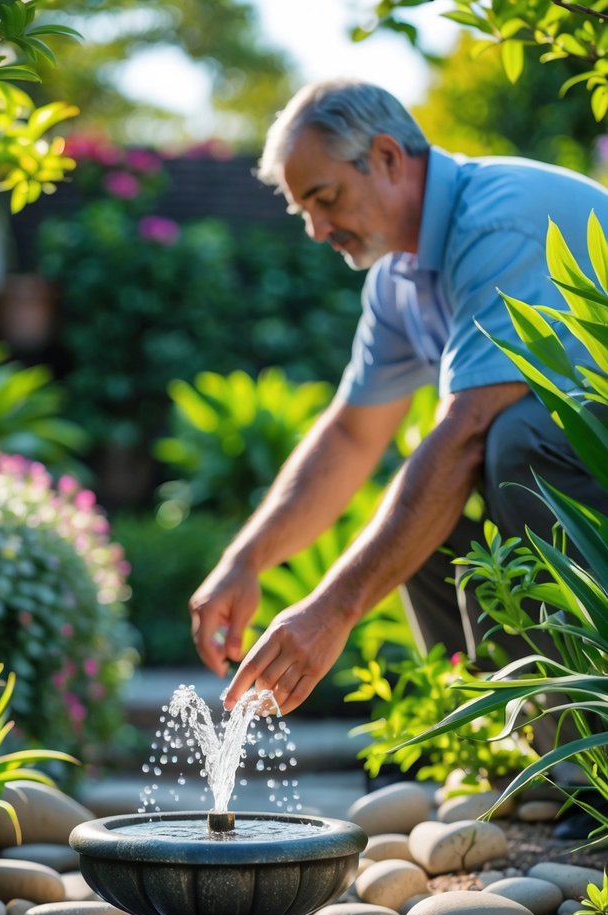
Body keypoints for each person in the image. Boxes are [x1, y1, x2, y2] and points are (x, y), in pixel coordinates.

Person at [189, 79, 608, 724]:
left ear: (388, 157)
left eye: (325, 199)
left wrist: (334, 610)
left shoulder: (496, 221)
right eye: (304, 210)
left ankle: (583, 738)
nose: (317, 230)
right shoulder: (399, 279)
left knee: (513, 439)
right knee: (416, 519)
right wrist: (245, 561)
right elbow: (352, 435)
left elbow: (468, 430)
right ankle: (504, 745)